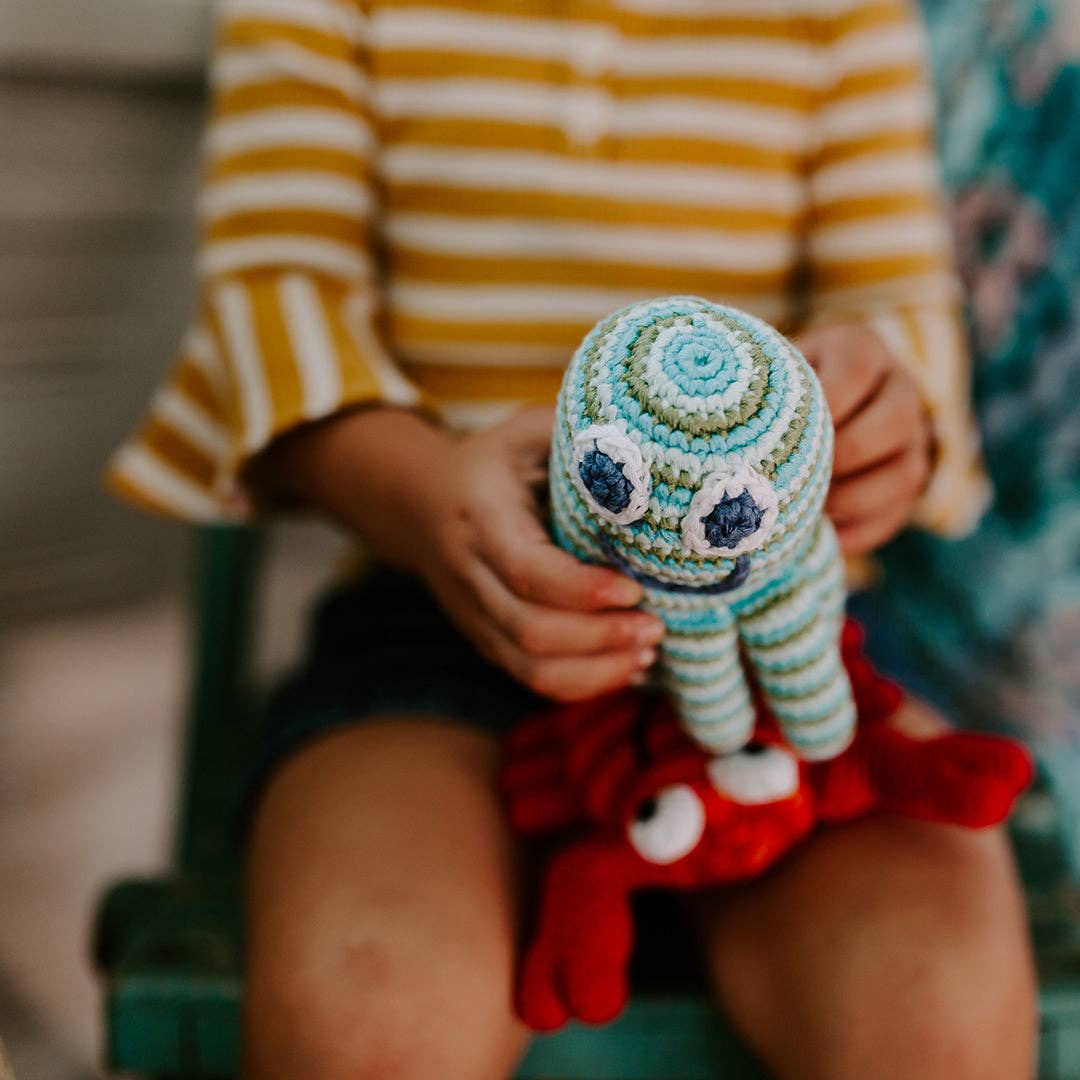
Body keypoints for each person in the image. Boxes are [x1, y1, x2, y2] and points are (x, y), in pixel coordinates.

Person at [109, 0, 1036, 1075]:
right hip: (438, 613)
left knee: (938, 1008)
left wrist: (887, 414)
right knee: (364, 1014)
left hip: (782, 652)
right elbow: (273, 313)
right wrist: (427, 501)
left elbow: (896, 303)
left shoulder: (837, 15)